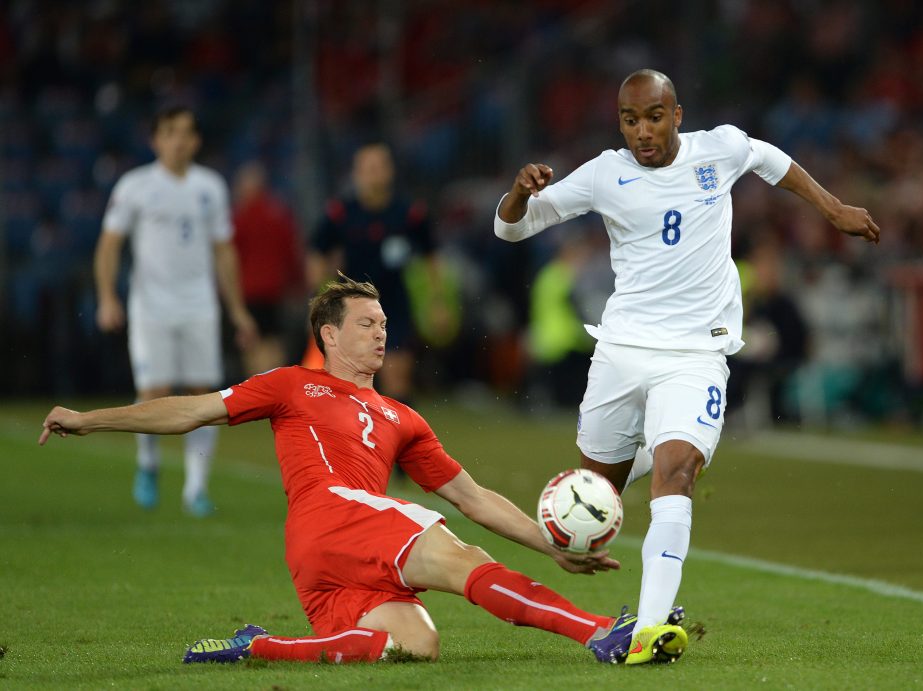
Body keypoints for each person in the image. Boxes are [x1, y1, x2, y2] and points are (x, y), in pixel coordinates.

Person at [39, 276, 668, 666]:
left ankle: (255, 646)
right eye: (365, 324)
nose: (380, 334)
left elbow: (472, 496)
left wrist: (550, 546)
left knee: (415, 643)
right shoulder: (292, 385)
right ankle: (600, 634)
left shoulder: (402, 417)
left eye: (384, 325)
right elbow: (191, 411)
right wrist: (91, 419)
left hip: (333, 550)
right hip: (331, 512)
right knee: (459, 558)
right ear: (329, 336)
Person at [493, 69, 879, 665]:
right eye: (629, 119)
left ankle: (652, 627)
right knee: (599, 497)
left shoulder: (716, 149)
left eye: (653, 117)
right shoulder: (604, 172)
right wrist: (519, 191)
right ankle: (648, 459)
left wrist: (831, 208)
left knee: (678, 471)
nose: (642, 131)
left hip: (697, 353)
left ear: (677, 114)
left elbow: (768, 157)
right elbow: (511, 227)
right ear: (619, 121)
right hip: (621, 351)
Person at [93, 106, 258, 517]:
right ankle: (148, 464)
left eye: (186, 133)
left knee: (205, 397)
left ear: (197, 141)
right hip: (151, 306)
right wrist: (107, 297)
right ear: (156, 140)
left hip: (199, 305)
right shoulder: (136, 186)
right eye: (170, 132)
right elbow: (110, 244)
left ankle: (195, 489)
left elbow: (224, 251)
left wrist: (237, 310)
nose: (178, 140)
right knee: (154, 391)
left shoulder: (211, 187)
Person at [306, 143, 437, 404]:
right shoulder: (342, 213)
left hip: (395, 305)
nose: (373, 174)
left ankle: (398, 440)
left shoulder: (409, 213)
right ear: (356, 173)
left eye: (379, 167)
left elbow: (431, 257)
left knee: (397, 377)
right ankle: (360, 440)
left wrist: (436, 301)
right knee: (353, 381)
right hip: (352, 308)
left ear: (389, 171)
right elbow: (317, 252)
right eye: (368, 168)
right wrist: (319, 295)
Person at [231, 161, 305, 376]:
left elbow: (230, 256)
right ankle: (274, 390)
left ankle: (256, 394)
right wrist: (297, 284)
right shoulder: (280, 214)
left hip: (248, 292)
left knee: (251, 344)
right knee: (274, 342)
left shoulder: (239, 218)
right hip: (276, 291)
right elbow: (292, 252)